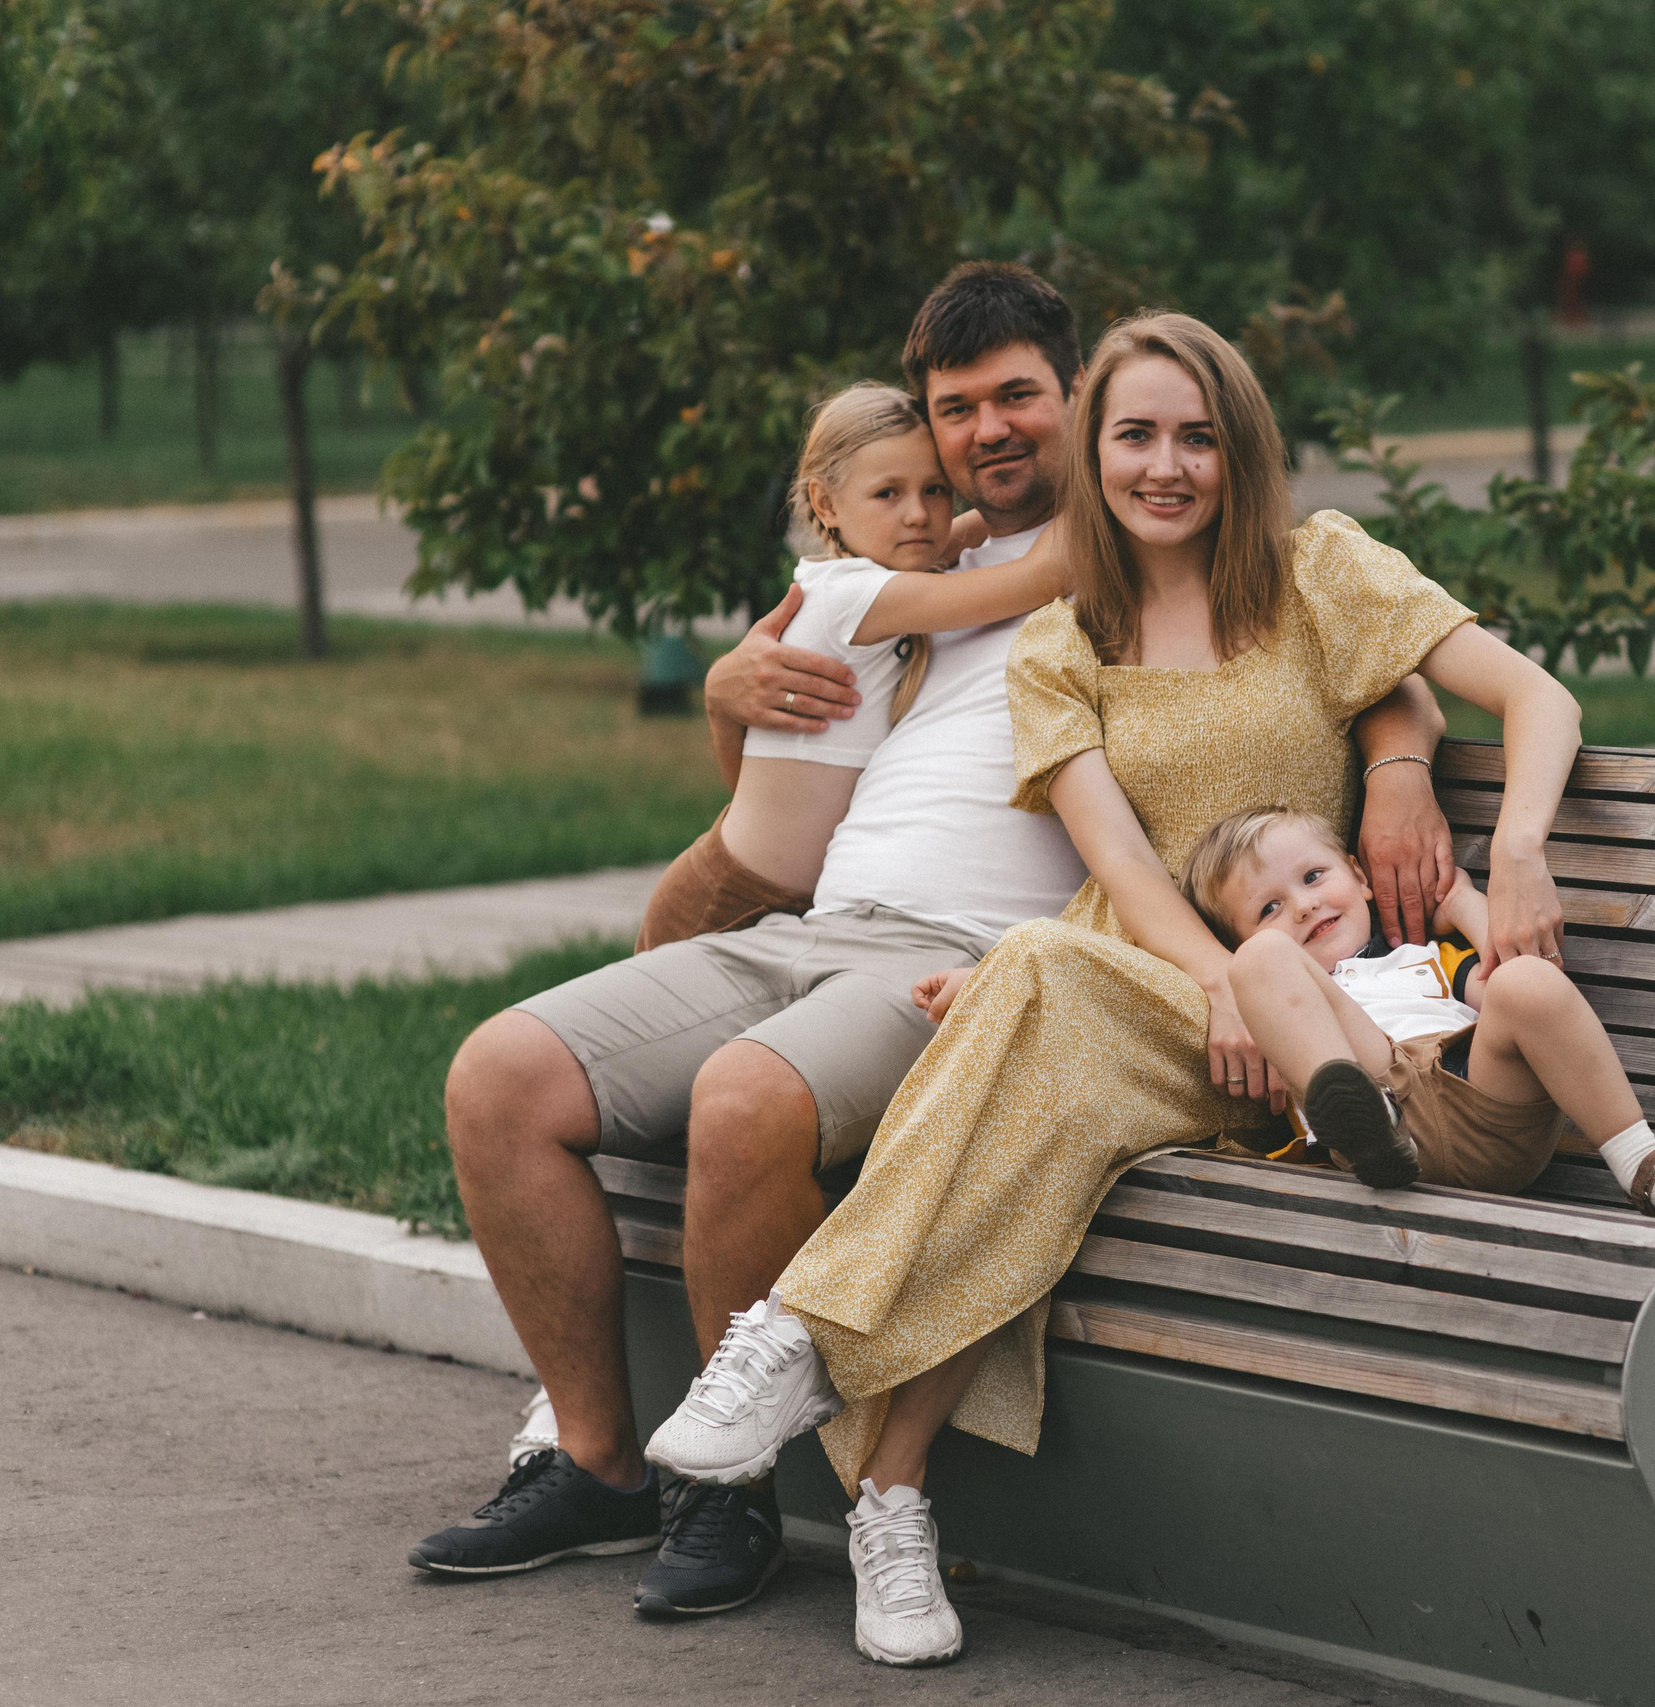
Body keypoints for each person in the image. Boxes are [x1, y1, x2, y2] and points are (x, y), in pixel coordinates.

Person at [409, 265, 1458, 1621]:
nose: (990, 430)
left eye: (1020, 396)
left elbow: (1357, 657)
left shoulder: (1142, 545)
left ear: (1078, 396)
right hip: (813, 927)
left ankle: (724, 1499)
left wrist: (1400, 763)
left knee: (744, 1099)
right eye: (959, 411)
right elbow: (777, 793)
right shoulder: (923, 568)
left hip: (967, 966)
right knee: (497, 1076)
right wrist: (730, 691)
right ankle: (600, 1456)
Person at [641, 311, 1589, 1670]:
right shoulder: (1062, 632)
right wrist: (1216, 981)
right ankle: (891, 1501)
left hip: (1309, 1016)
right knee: (1026, 1049)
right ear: (1098, 450)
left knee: (1017, 1009)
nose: (1165, 464)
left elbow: (1534, 699)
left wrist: (1515, 841)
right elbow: (1124, 867)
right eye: (1135, 436)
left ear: (1238, 447)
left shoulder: (1320, 570)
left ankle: (798, 1335)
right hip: (1156, 982)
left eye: (1196, 435)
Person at [633, 381, 1064, 952]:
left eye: (936, 490)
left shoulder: (889, 579)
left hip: (794, 899)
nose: (917, 515)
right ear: (826, 504)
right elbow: (1036, 577)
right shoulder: (850, 598)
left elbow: (961, 533)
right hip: (730, 894)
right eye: (887, 494)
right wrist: (1093, 480)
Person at [1177, 805, 1655, 1219]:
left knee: (1525, 980)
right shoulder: (1285, 996)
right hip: (1378, 1115)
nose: (1303, 906)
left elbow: (1507, 982)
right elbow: (1261, 976)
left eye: (1313, 877)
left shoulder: (1424, 957)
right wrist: (1256, 973)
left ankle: (1643, 1165)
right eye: (1270, 907)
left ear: (1358, 876)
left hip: (1487, 1106)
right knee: (1260, 964)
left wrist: (1464, 903)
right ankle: (1368, 1118)